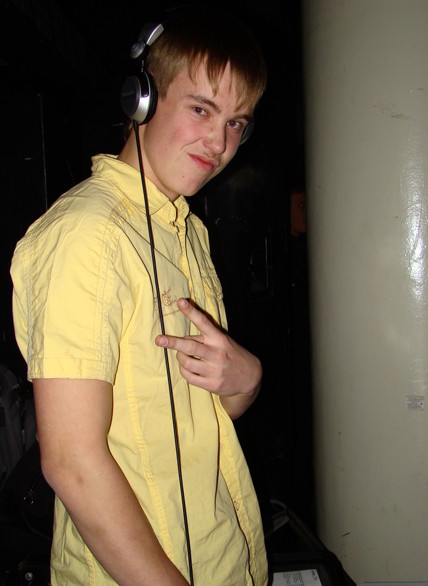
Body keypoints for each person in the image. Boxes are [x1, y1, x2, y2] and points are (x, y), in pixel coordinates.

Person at [10, 9, 268, 586]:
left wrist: (247, 379)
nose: (219, 142)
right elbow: (72, 462)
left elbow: (208, 412)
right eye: (201, 109)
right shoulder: (88, 235)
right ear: (141, 101)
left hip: (222, 558)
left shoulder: (187, 232)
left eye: (236, 123)